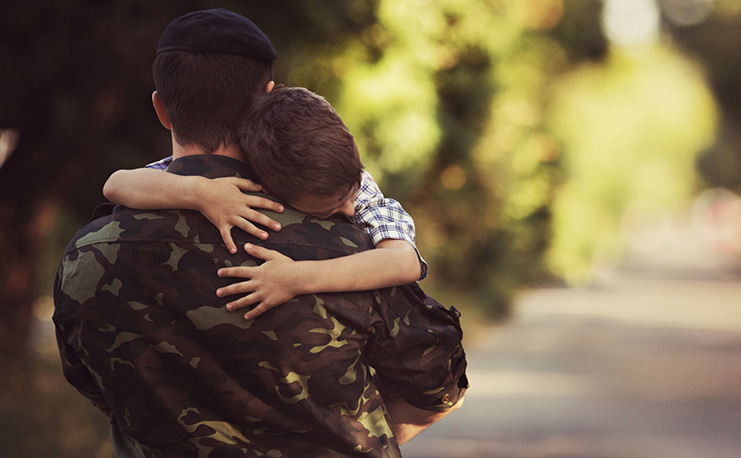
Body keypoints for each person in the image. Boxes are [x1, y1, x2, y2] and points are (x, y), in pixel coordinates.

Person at [53, 8, 467, 457]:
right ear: (266, 98)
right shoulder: (350, 252)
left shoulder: (87, 257)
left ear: (161, 108)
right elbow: (439, 385)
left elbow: (92, 383)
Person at [103, 107, 427, 321]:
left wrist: (297, 278)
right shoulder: (259, 170)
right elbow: (116, 184)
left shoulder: (355, 184)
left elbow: (403, 261)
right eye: (333, 208)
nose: (350, 208)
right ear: (276, 192)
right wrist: (201, 193)